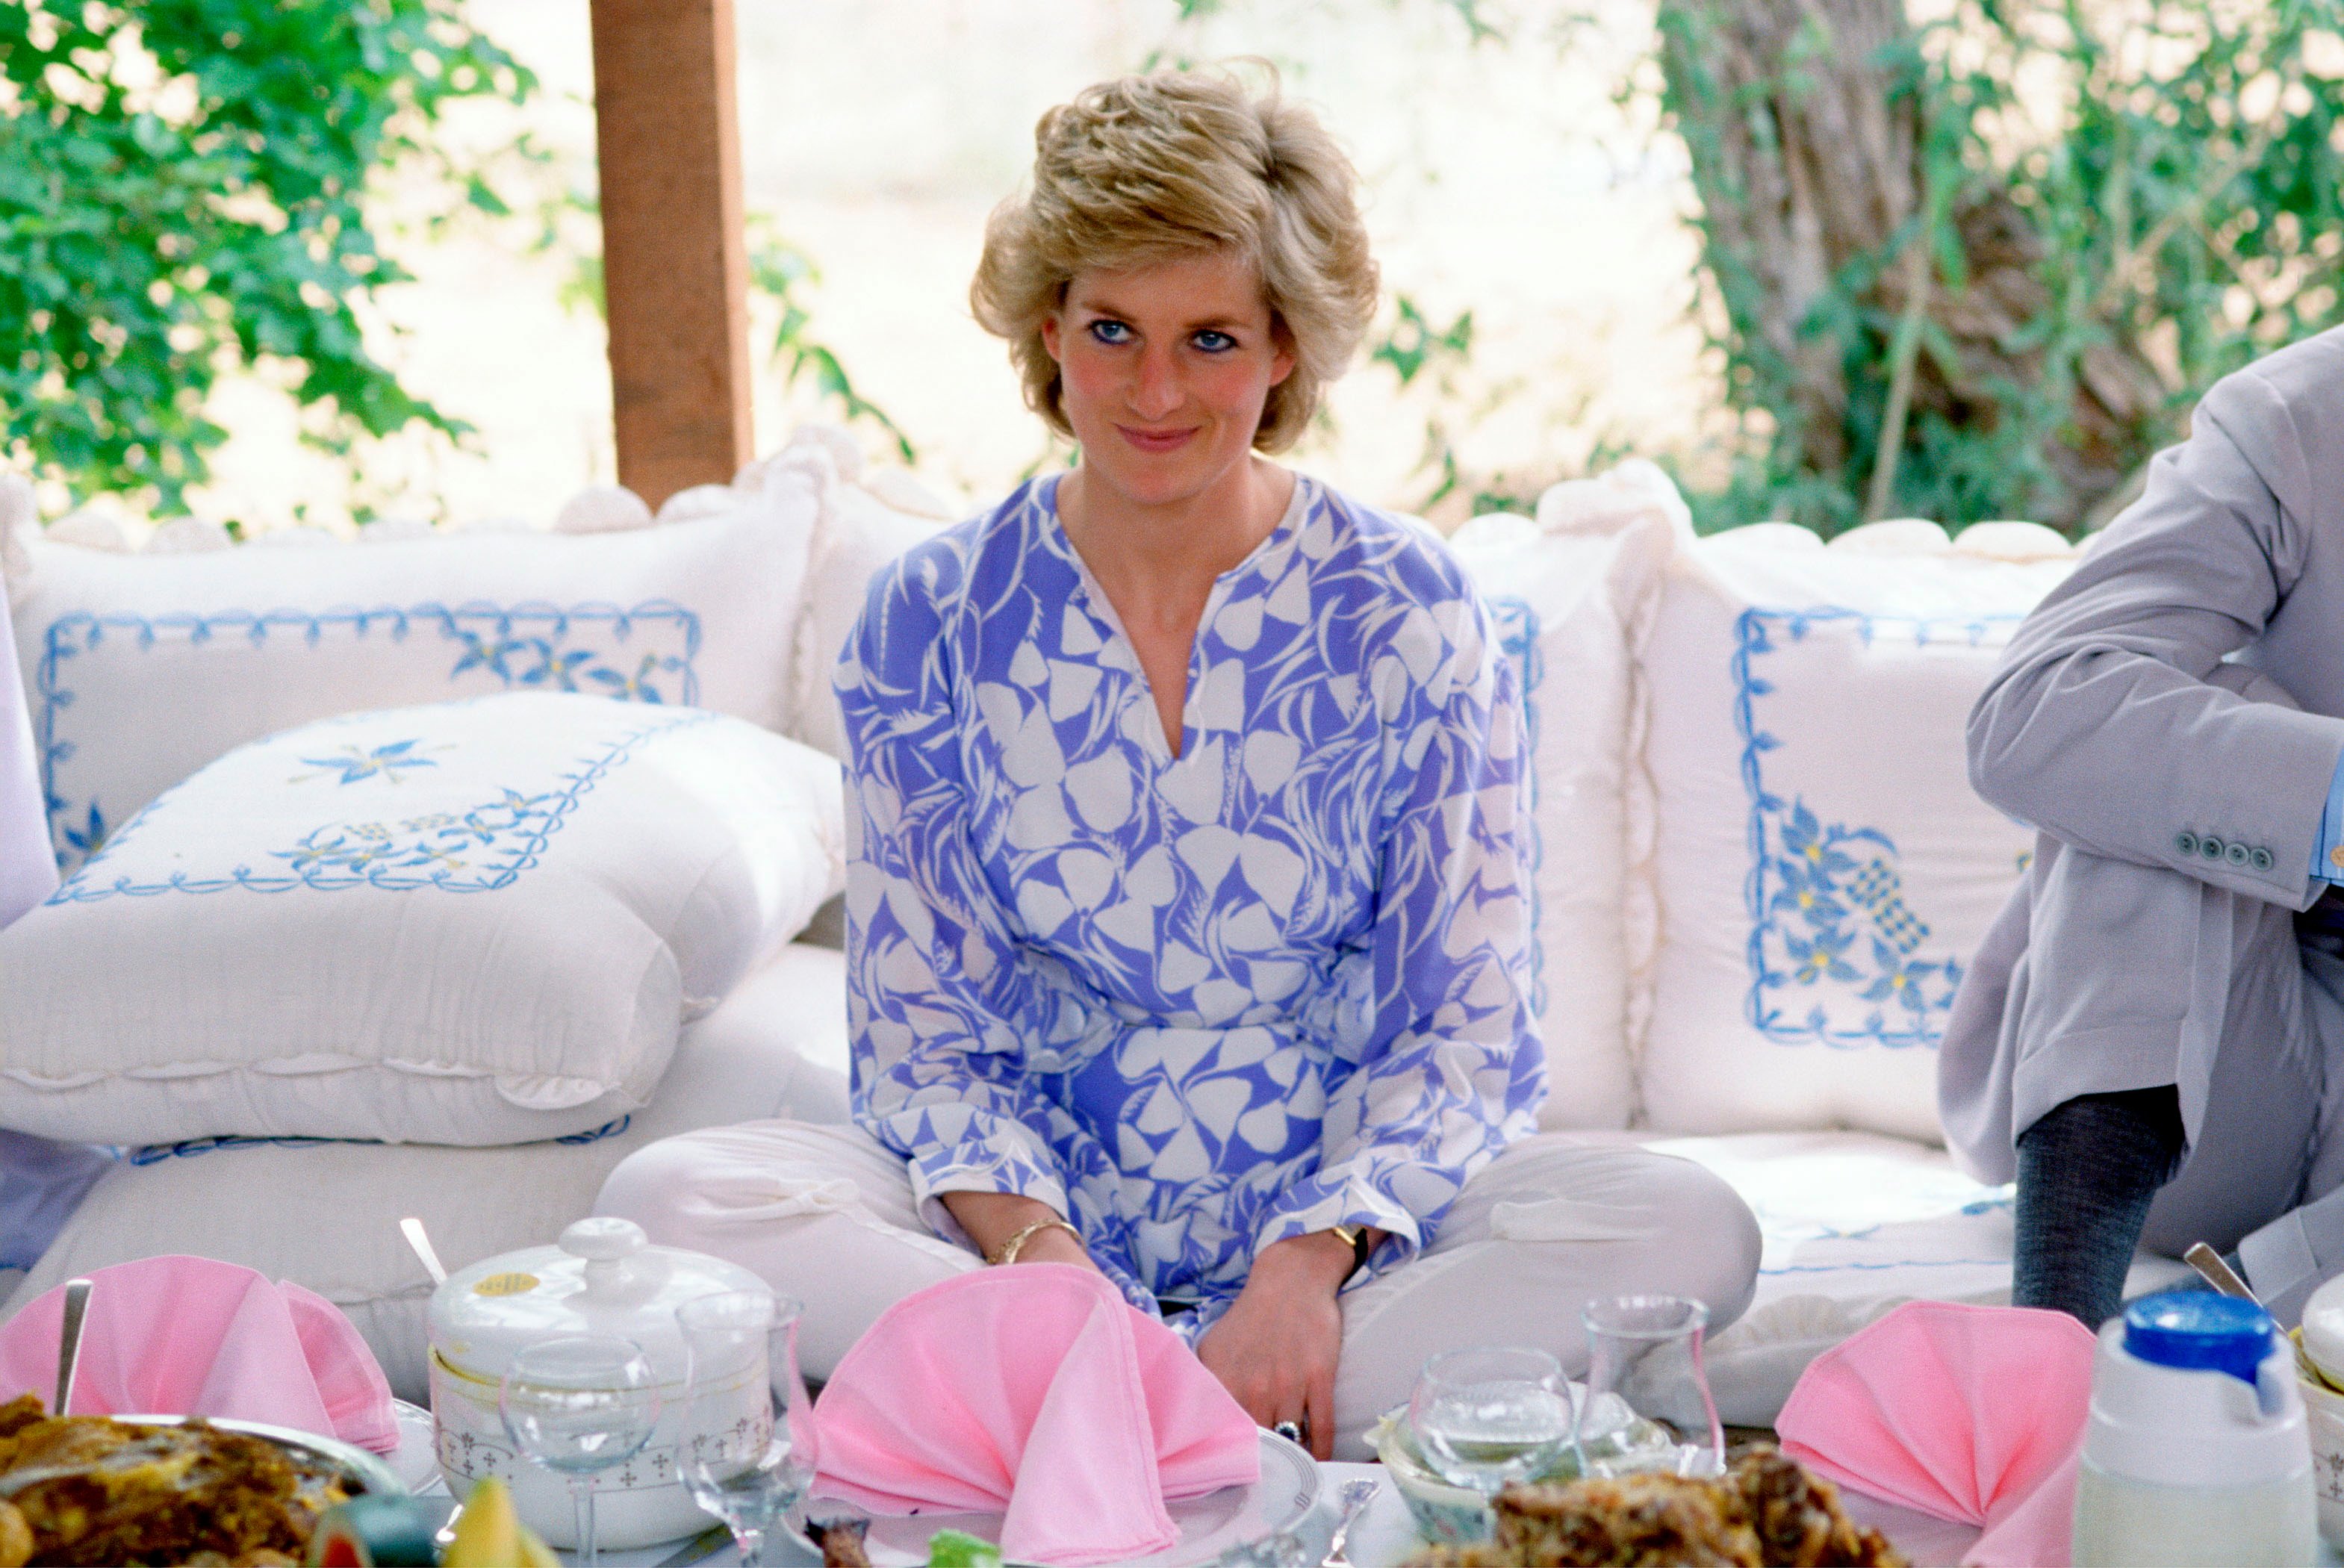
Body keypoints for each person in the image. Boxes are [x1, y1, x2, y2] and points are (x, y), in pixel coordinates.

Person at [597, 65, 1759, 1461]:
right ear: (1048, 331)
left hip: (1347, 1249)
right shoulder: (930, 619)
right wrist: (1046, 1269)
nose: (1154, 392)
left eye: (1210, 339)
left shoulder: (1410, 612)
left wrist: (1303, 1267)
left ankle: (1108, 1419)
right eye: (1112, 331)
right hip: (1021, 1247)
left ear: (1284, 352)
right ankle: (1168, 1408)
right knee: (673, 1201)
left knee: (1693, 1229)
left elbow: (1462, 1031)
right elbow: (928, 1038)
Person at [1942, 325, 2344, 1330]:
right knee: (2158, 721)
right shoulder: (2297, 423)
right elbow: (2033, 709)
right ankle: (2049, 1355)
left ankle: (2260, 1320)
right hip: (2217, 1086)